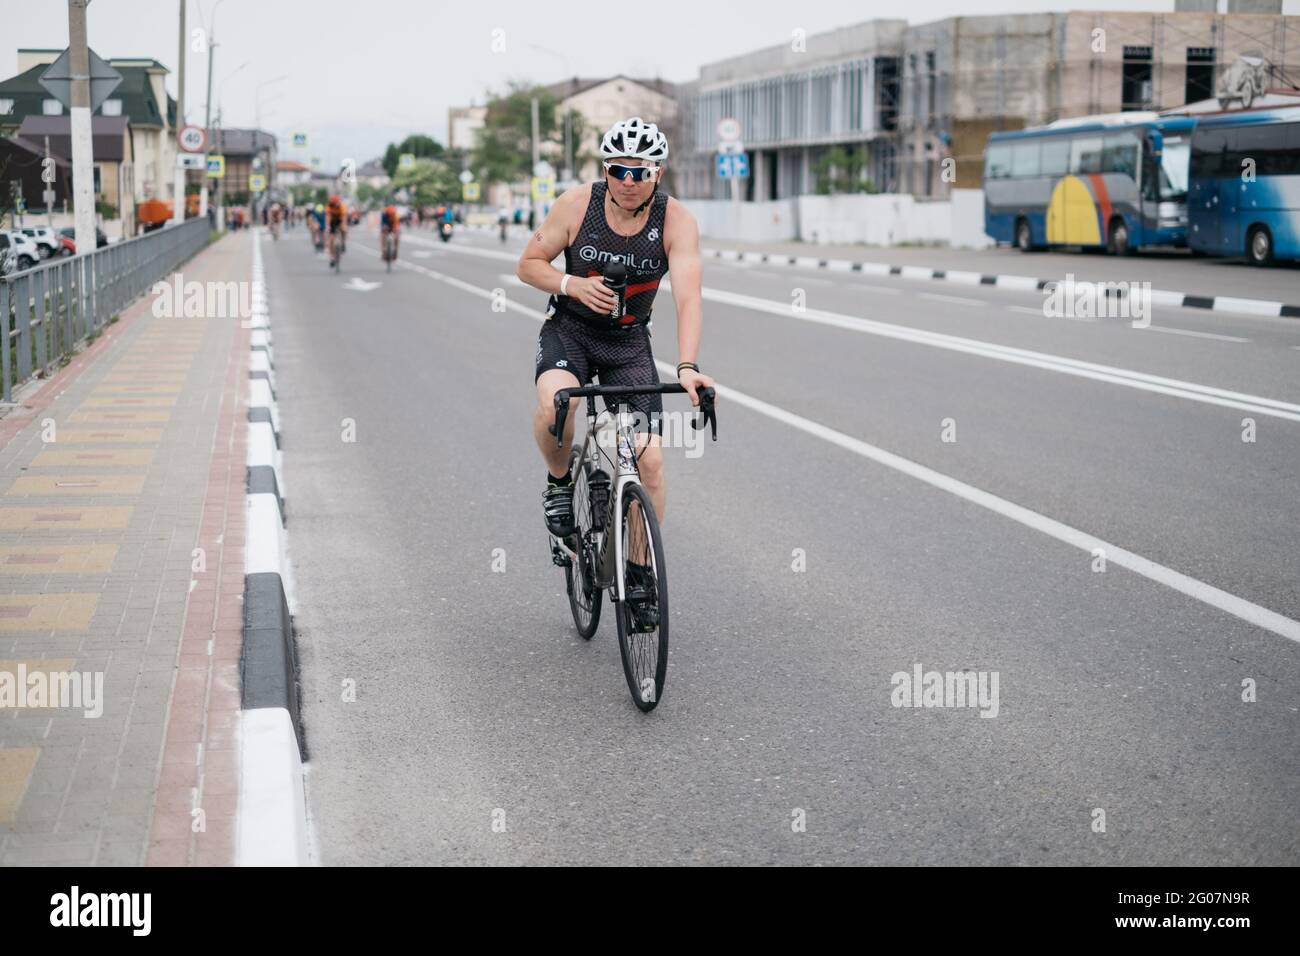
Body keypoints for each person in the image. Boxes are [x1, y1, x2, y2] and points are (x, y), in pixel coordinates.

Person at [517, 116, 715, 564]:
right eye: (618, 170)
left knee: (652, 466)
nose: (628, 181)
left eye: (640, 171)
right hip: (570, 330)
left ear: (657, 173)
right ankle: (560, 482)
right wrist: (571, 284)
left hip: (628, 343)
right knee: (557, 404)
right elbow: (528, 264)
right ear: (605, 169)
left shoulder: (676, 221)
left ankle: (640, 571)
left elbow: (689, 299)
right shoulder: (575, 205)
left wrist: (687, 367)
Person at [325, 194, 347, 267]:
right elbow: (328, 217)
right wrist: (328, 227)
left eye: (336, 203)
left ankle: (343, 242)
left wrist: (343, 226)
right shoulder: (329, 206)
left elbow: (344, 218)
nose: (335, 204)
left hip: (340, 219)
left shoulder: (342, 206)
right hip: (332, 221)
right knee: (331, 239)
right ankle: (332, 257)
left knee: (344, 230)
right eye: (333, 203)